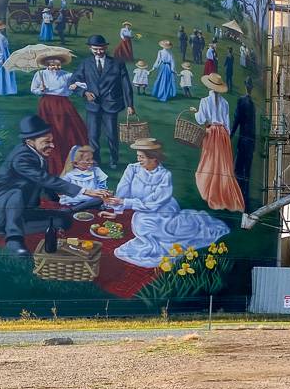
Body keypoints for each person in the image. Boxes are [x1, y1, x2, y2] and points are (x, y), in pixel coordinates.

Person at [0, 115, 110, 256]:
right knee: (15, 193)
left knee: (63, 220)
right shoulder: (21, 157)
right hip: (0, 208)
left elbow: (44, 183)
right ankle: (13, 239)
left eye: (52, 141)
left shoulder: (38, 155)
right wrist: (85, 191)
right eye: (46, 142)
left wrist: (58, 200)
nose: (52, 145)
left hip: (23, 209)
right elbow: (44, 179)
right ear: (30, 141)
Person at [109, 138, 231, 268]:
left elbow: (155, 203)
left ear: (153, 158)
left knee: (149, 225)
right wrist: (116, 210)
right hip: (142, 210)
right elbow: (122, 192)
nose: (138, 160)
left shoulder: (164, 175)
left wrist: (127, 202)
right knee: (141, 222)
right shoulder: (132, 169)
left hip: (163, 210)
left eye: (142, 157)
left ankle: (187, 226)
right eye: (138, 156)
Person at [73, 34, 136, 168]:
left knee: (112, 135)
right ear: (90, 48)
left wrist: (130, 104)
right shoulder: (85, 64)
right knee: (93, 136)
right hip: (93, 106)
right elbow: (73, 82)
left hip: (111, 105)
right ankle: (96, 161)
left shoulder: (117, 63)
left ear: (106, 47)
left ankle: (114, 160)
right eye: (95, 49)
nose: (99, 52)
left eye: (101, 49)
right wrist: (84, 93)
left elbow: (126, 85)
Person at [29, 50, 88, 174]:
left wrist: (74, 86)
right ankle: (49, 158)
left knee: (66, 129)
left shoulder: (66, 75)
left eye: (57, 64)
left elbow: (82, 83)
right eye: (51, 65)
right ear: (47, 65)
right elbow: (33, 89)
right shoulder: (40, 74)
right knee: (49, 129)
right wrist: (41, 90)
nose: (54, 67)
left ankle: (70, 155)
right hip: (47, 105)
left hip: (63, 104)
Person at [193, 74, 244, 212]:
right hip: (223, 135)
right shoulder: (225, 103)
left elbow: (201, 119)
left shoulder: (204, 101)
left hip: (211, 133)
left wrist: (195, 112)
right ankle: (223, 191)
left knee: (209, 160)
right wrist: (225, 135)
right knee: (223, 164)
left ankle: (210, 189)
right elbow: (227, 123)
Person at [231, 91, 258, 203]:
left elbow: (237, 120)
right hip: (250, 141)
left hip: (244, 140)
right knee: (247, 170)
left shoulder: (242, 102)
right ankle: (244, 196)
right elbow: (254, 125)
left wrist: (231, 135)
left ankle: (238, 195)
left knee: (238, 168)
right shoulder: (252, 104)